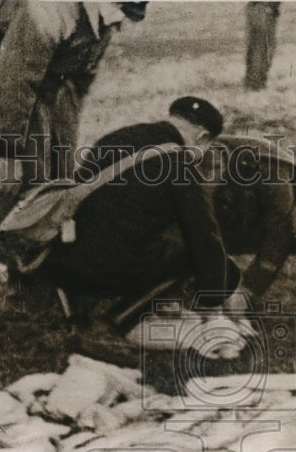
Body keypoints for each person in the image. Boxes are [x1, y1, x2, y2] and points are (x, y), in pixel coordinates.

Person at [0, 1, 146, 258]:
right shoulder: (52, 11)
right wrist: (8, 152)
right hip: (2, 100)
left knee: (47, 191)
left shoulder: (105, 21)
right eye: (118, 15)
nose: (119, 25)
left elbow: (79, 85)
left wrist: (65, 143)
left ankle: (24, 262)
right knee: (3, 181)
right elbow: (13, 81)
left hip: (47, 100)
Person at [17, 96, 242, 315]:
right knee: (204, 257)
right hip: (109, 271)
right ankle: (130, 318)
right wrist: (217, 290)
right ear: (202, 137)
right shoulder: (183, 165)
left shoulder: (116, 137)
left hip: (61, 259)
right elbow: (205, 237)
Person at [205, 135, 296, 343]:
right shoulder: (181, 169)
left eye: (213, 171)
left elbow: (278, 236)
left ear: (228, 164)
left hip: (292, 203)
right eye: (201, 173)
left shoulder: (266, 169)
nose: (207, 177)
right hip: (244, 219)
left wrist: (248, 290)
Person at [244, 2, 280, 90]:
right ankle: (255, 84)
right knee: (262, 48)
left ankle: (253, 83)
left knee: (258, 47)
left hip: (259, 10)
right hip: (264, 10)